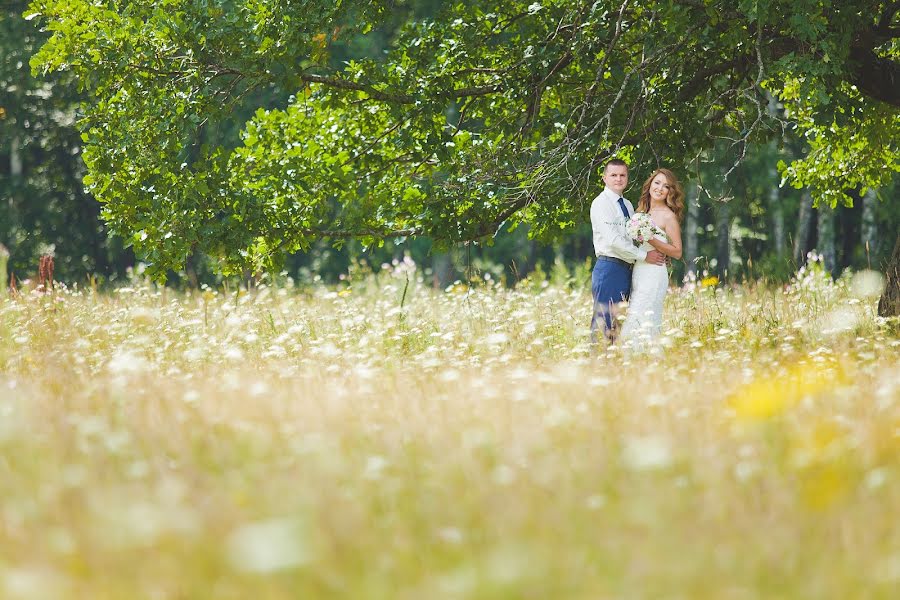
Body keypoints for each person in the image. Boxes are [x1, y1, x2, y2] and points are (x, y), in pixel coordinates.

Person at [590, 159, 666, 344]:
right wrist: (645, 256)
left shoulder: (628, 205)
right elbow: (613, 241)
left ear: (627, 178)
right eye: (613, 175)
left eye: (622, 175)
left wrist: (658, 248)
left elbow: (635, 237)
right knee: (605, 320)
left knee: (621, 321)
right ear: (604, 178)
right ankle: (597, 362)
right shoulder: (601, 204)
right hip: (610, 267)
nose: (618, 179)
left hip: (628, 269)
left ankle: (615, 365)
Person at [619, 168, 684, 348]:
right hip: (639, 271)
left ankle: (641, 358)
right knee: (637, 313)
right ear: (650, 185)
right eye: (657, 183)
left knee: (643, 317)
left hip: (654, 273)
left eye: (666, 186)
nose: (660, 188)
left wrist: (652, 239)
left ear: (670, 192)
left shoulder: (668, 216)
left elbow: (677, 252)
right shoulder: (641, 212)